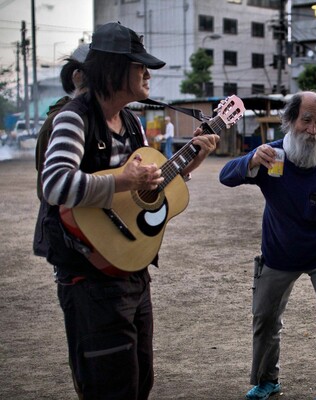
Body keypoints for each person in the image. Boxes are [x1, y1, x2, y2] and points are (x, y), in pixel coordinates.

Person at [39, 22, 219, 399]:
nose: (147, 73)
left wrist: (186, 165)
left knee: (139, 382)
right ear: (113, 69)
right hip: (89, 278)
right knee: (111, 386)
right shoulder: (75, 118)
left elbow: (146, 188)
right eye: (139, 65)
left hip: (131, 269)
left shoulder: (133, 124)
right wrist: (122, 181)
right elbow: (54, 185)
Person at [219, 91, 316, 400]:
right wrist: (252, 159)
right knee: (265, 316)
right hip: (279, 252)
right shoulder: (271, 155)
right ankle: (268, 380)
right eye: (306, 120)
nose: (312, 130)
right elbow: (225, 176)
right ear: (290, 121)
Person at [33, 43, 88, 257]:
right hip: (69, 231)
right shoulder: (58, 122)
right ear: (78, 76)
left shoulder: (114, 118)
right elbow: (46, 187)